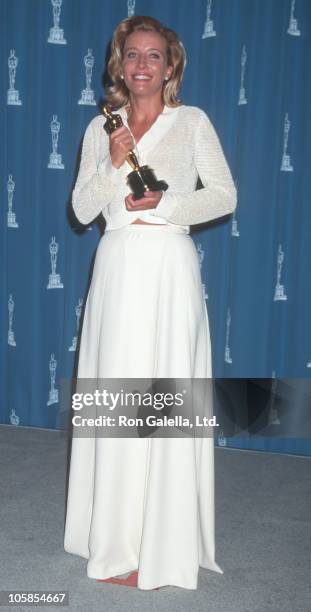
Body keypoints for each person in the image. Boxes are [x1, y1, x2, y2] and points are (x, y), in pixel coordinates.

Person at [64, 15, 237, 591]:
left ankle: (163, 543)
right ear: (119, 65)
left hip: (168, 266)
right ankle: (115, 542)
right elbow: (83, 211)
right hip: (116, 267)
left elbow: (224, 195)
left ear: (171, 66)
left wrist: (166, 205)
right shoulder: (99, 129)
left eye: (154, 56)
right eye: (132, 55)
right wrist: (114, 165)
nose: (142, 65)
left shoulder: (192, 122)